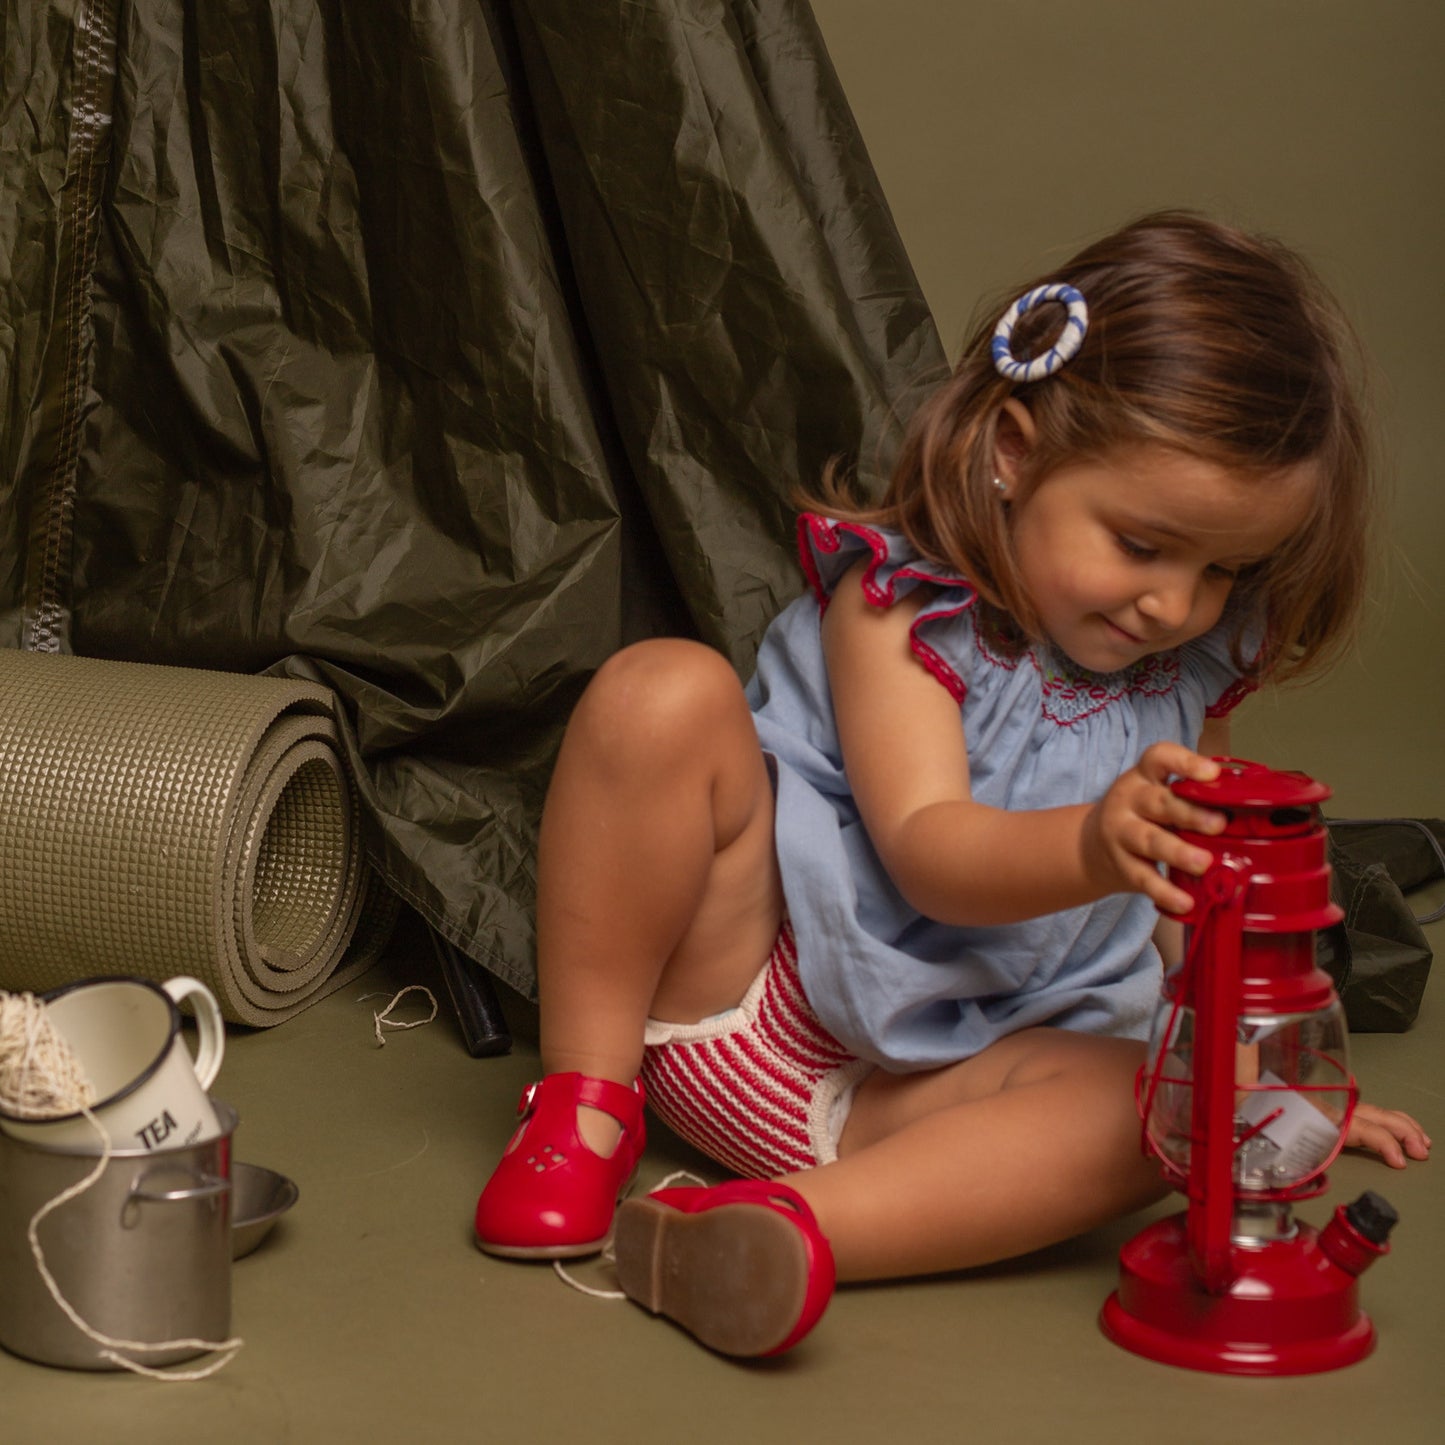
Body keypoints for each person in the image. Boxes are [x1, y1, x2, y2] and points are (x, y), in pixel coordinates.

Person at [472, 211, 1431, 1357]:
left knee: (1156, 1117)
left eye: (1219, 568)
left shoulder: (1183, 663)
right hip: (740, 996)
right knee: (659, 691)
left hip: (914, 1105)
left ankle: (760, 1227)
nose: (1172, 603)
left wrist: (1241, 1087)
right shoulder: (900, 608)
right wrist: (1091, 844)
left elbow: (1185, 898)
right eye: (1139, 543)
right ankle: (583, 1107)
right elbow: (927, 847)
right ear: (1014, 451)